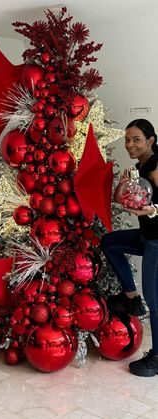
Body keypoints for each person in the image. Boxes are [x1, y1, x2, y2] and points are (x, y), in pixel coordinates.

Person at [100, 119, 158, 377]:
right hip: (146, 236)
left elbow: (152, 206)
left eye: (136, 139)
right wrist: (123, 182)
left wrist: (152, 210)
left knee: (155, 300)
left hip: (157, 241)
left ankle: (157, 358)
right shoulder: (139, 167)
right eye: (126, 139)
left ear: (150, 141)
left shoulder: (155, 164)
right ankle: (131, 299)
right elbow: (120, 199)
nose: (129, 144)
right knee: (109, 243)